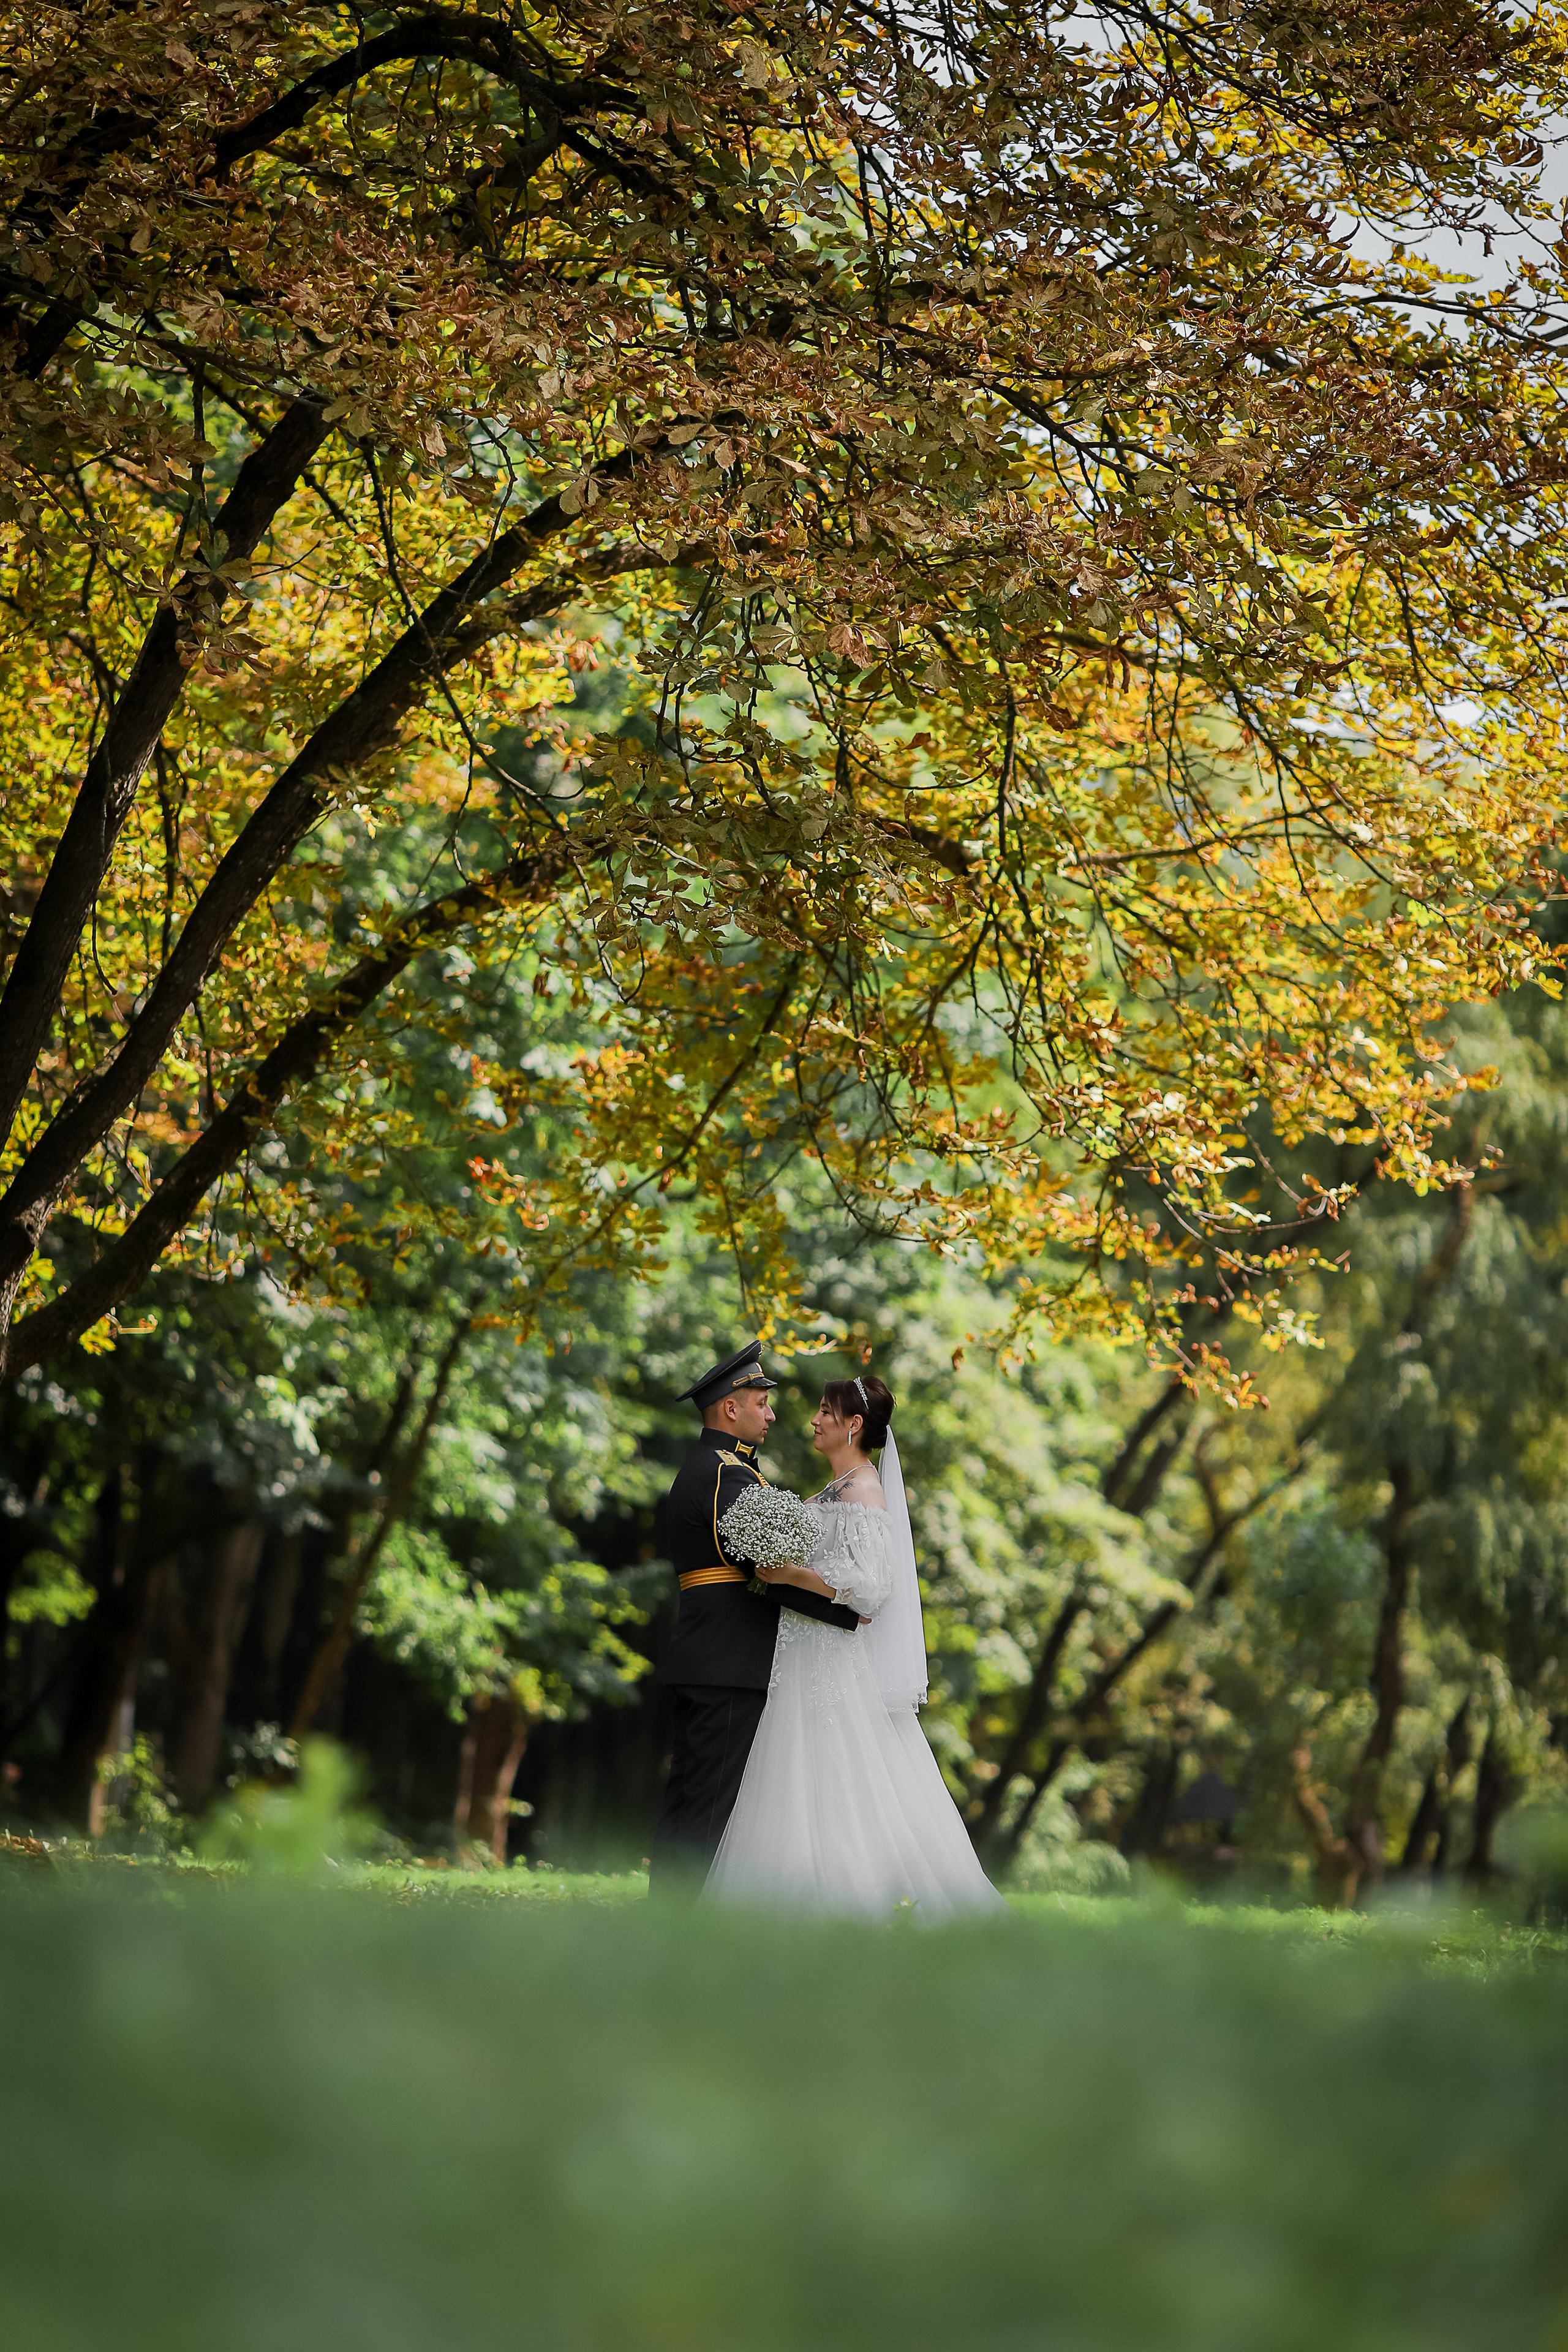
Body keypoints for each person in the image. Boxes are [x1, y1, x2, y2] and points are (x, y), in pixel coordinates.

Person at [704, 1373, 1007, 1920]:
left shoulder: (865, 1490)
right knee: (791, 1765)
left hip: (834, 1658)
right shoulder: (829, 1492)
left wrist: (791, 1574)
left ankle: (858, 1892)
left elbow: (871, 1586)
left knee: (843, 1766)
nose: (815, 1420)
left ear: (855, 1425)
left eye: (826, 1411)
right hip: (800, 1650)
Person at [649, 1341, 862, 1891]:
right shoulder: (726, 1475)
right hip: (727, 1661)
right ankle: (673, 1928)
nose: (771, 1415)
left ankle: (663, 1928)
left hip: (712, 1656)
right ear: (730, 1408)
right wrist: (846, 1607)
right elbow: (767, 1569)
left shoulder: (717, 1469)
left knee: (694, 1799)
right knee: (707, 1808)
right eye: (762, 1403)